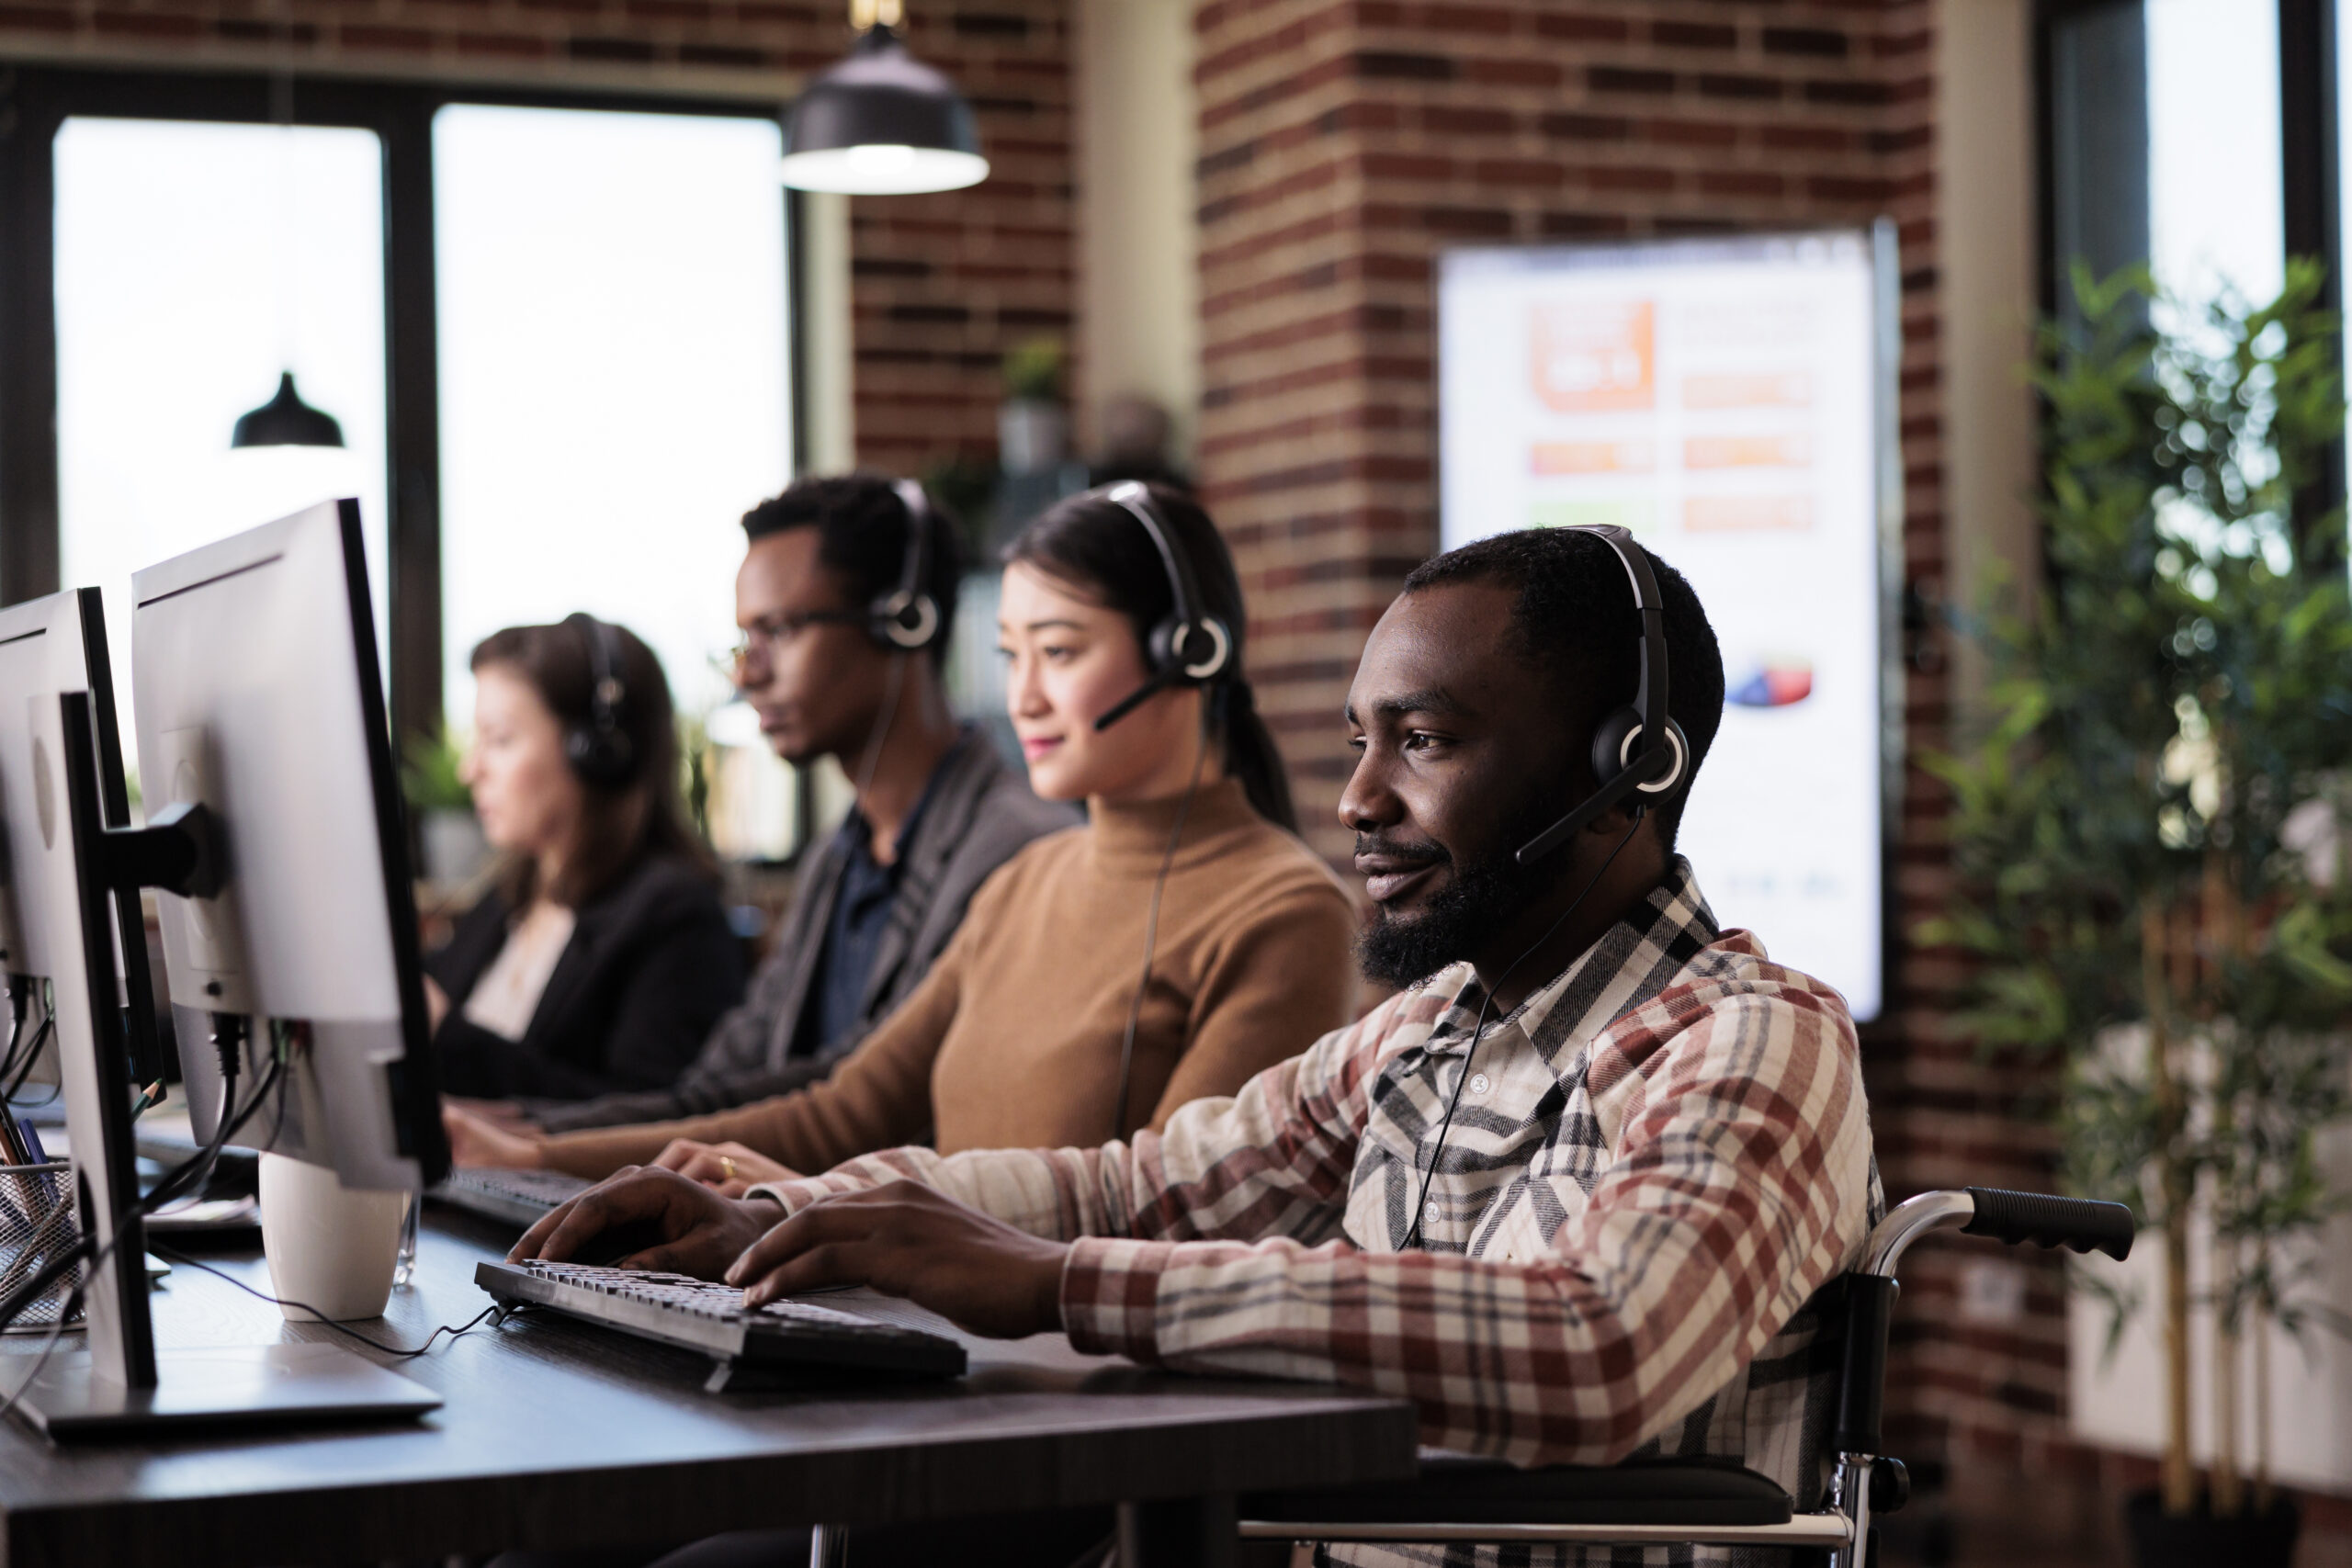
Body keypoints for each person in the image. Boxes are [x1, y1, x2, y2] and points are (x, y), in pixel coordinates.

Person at [515, 526, 1883, 1568]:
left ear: (1626, 765)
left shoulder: (1754, 1044)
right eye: (1360, 739)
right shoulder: (1426, 1031)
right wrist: (792, 1215)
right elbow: (1133, 1185)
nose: (1357, 795)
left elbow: (1599, 1345)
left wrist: (1065, 1285)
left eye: (1426, 740)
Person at [471, 482, 1359, 1188]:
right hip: (937, 1348)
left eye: (1059, 651)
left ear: (1186, 651)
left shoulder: (1284, 912)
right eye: (1010, 657)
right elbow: (837, 1112)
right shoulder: (1029, 881)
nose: (1024, 698)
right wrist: (535, 1156)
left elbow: (1158, 1198)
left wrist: (830, 1200)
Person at [444, 476, 1075, 1154]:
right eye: (746, 638)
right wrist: (523, 1136)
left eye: (779, 630)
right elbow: (721, 1080)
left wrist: (543, 1147)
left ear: (902, 621)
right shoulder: (840, 855)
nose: (748, 673)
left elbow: (849, 1097)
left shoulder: (1015, 849)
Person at [424, 616, 746, 1100]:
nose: (472, 770)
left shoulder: (674, 913)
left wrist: (441, 1033)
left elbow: (645, 1118)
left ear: (595, 750)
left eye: (500, 740)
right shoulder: (511, 898)